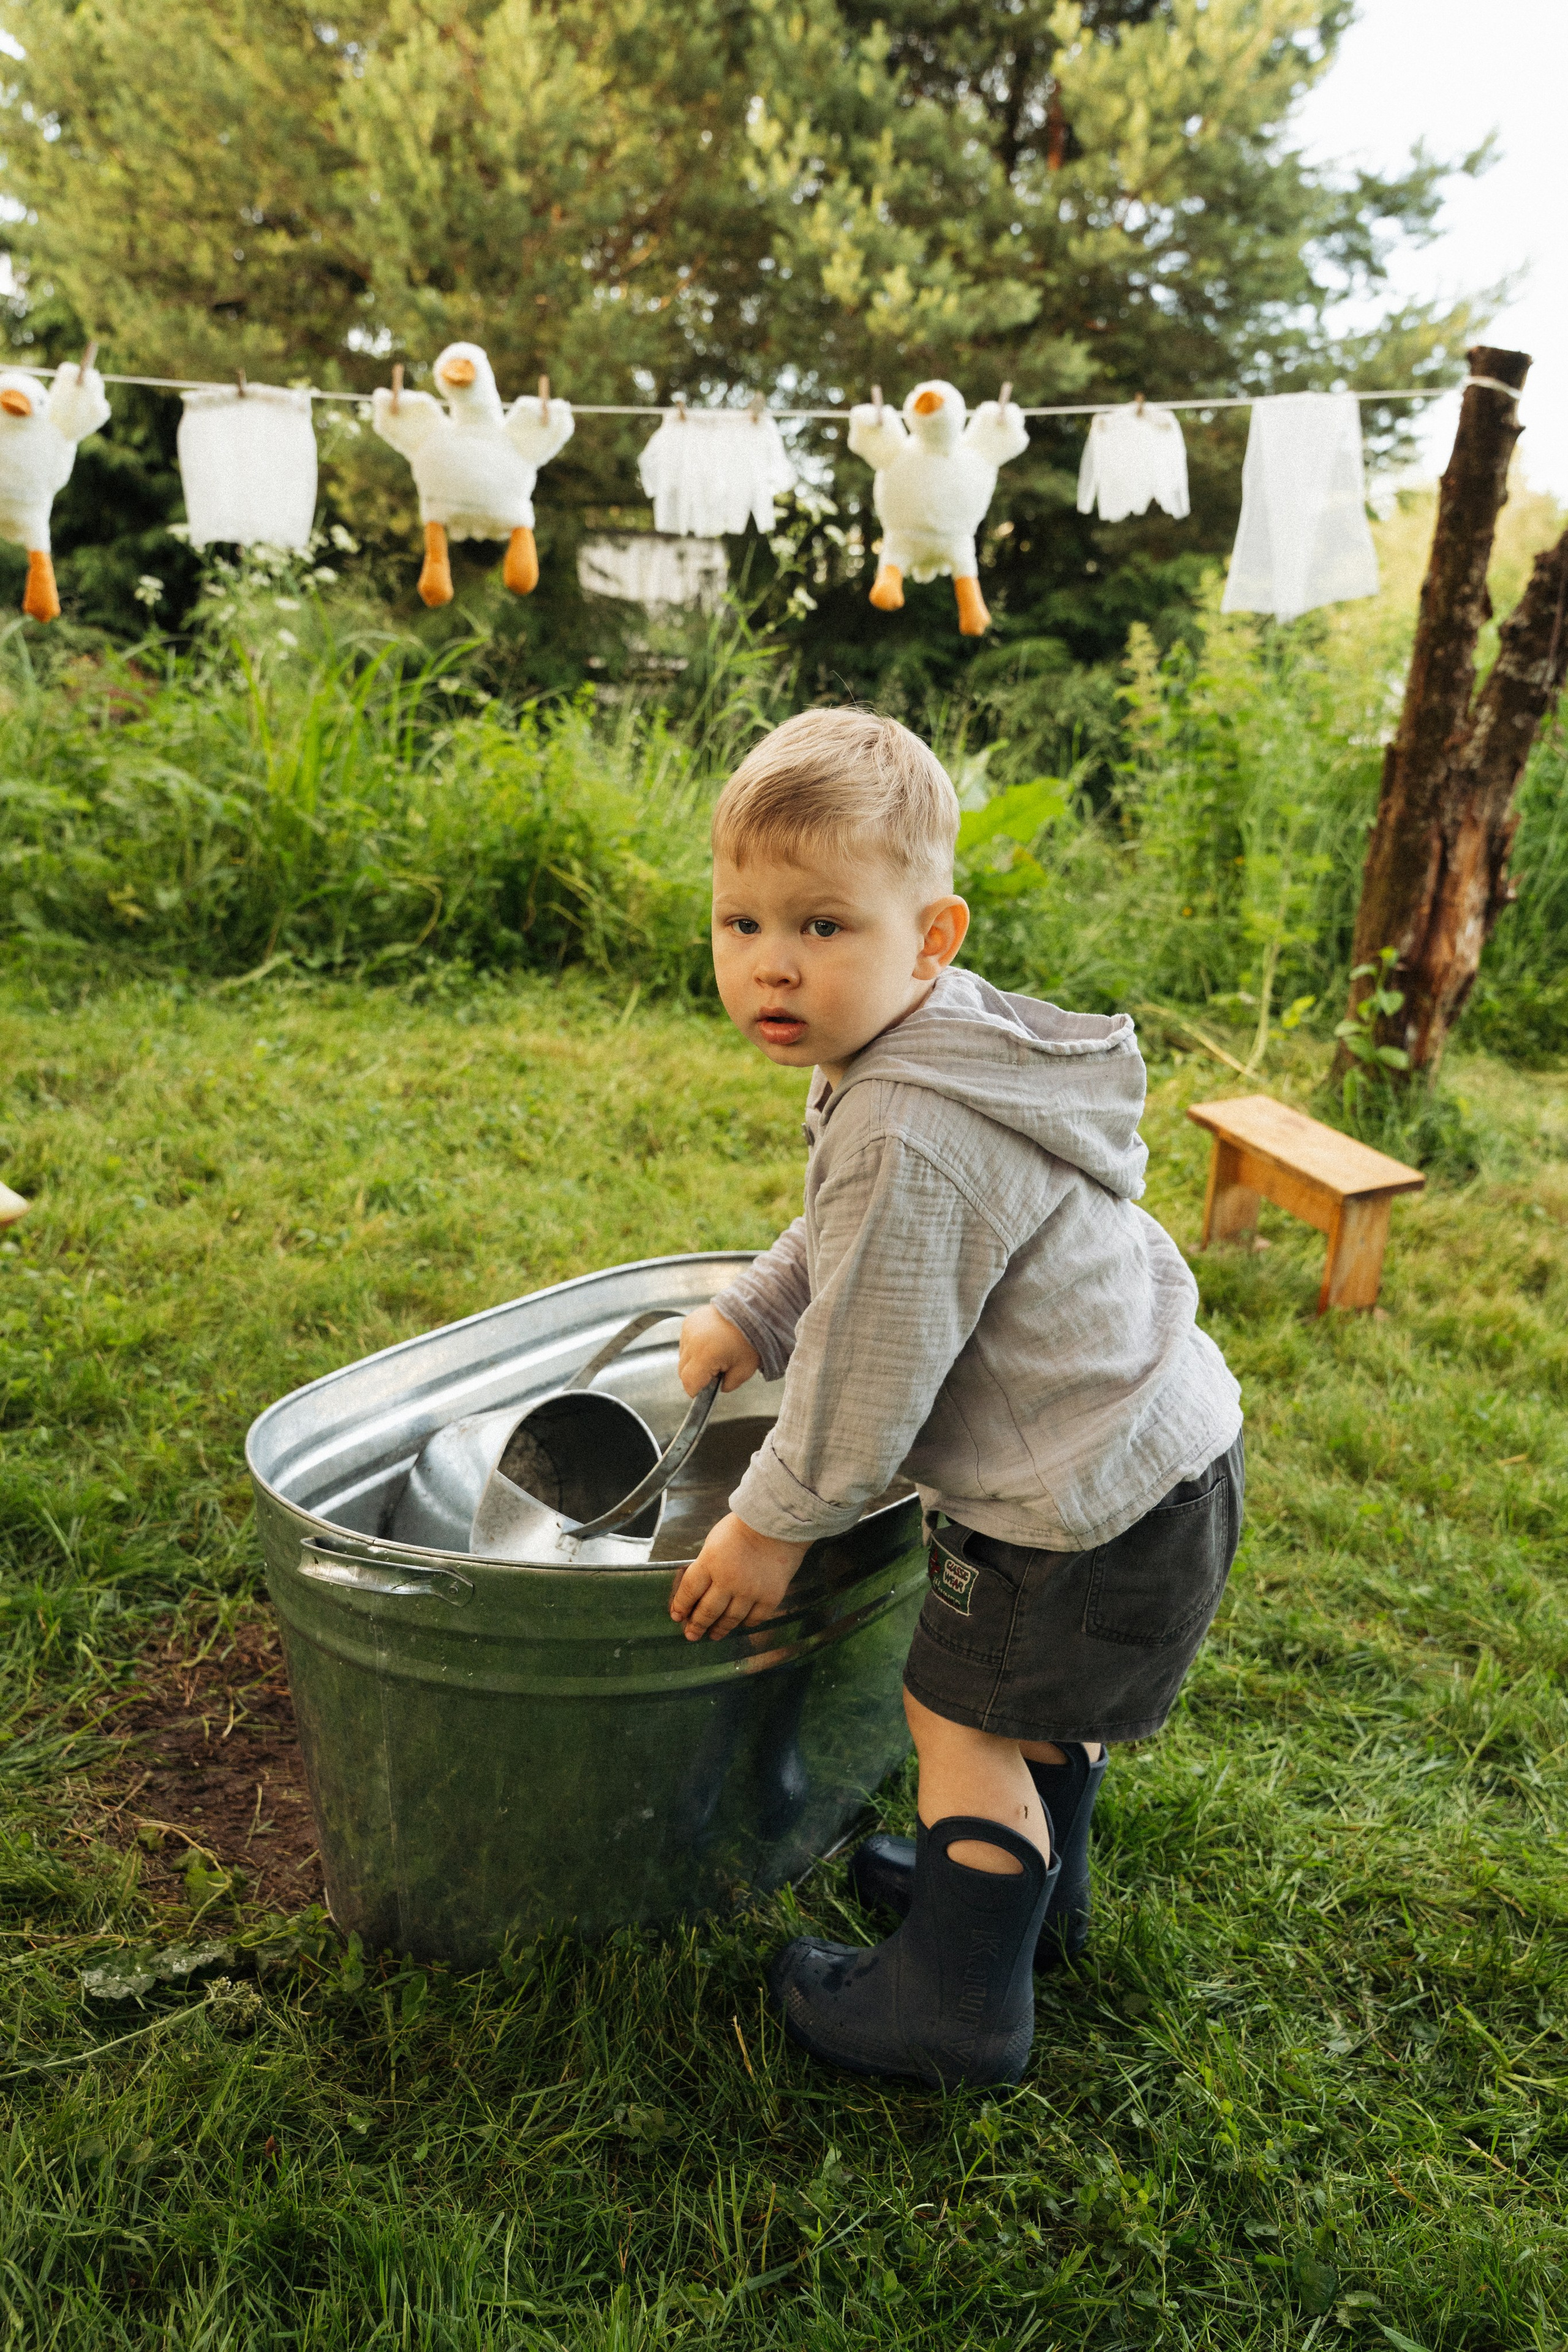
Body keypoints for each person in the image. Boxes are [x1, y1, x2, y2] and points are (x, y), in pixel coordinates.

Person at [668, 708, 1243, 2090]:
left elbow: (867, 1372)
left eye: (822, 925)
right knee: (1033, 1712)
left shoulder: (905, 1121)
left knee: (960, 1719)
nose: (773, 964)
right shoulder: (932, 1044)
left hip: (1078, 1504)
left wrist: (768, 1526)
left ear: (931, 937)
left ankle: (953, 2009)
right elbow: (851, 1237)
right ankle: (1023, 1909)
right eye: (742, 923)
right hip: (1153, 1460)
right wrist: (760, 1306)